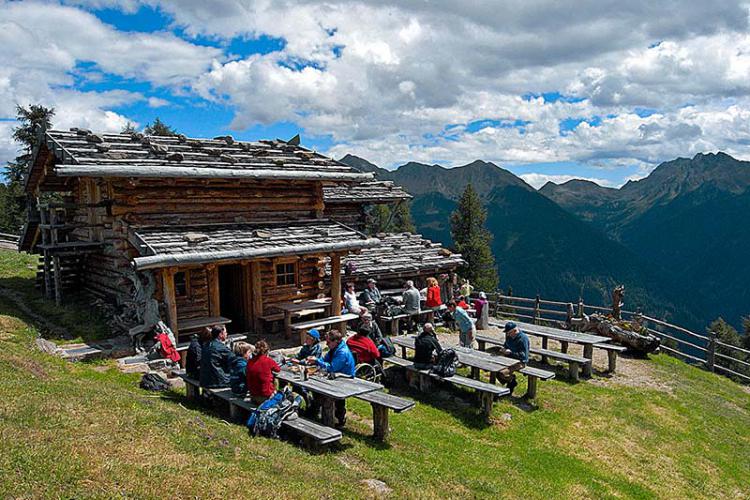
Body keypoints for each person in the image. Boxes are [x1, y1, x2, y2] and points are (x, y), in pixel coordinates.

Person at [307, 330, 356, 427]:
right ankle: (316, 410)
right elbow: (325, 360)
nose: (326, 344)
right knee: (316, 388)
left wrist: (317, 361)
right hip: (336, 376)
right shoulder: (334, 349)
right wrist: (315, 361)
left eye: (328, 342)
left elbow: (332, 367)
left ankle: (338, 418)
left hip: (345, 379)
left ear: (336, 341)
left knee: (327, 394)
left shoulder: (342, 352)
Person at [246, 339, 281, 404]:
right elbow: (278, 369)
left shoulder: (250, 361)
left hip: (253, 395)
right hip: (266, 397)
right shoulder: (268, 361)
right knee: (276, 380)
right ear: (267, 351)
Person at [499, 322, 529, 395]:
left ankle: (511, 382)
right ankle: (511, 381)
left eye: (509, 333)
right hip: (508, 359)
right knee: (495, 370)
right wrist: (504, 349)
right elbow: (506, 345)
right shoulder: (509, 337)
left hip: (520, 362)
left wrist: (511, 353)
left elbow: (524, 356)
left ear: (515, 331)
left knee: (502, 373)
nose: (508, 335)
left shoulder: (523, 339)